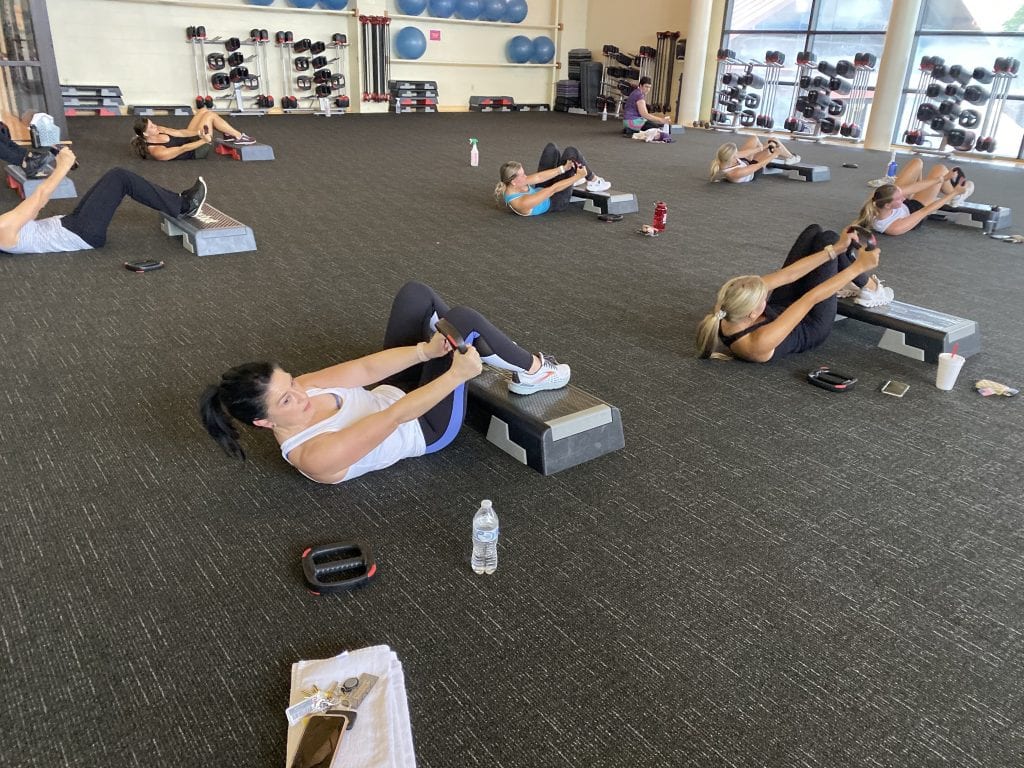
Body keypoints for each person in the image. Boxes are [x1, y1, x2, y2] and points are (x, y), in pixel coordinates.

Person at [199, 281, 573, 484]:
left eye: (291, 382)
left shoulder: (302, 389)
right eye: (286, 401)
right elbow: (395, 417)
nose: (300, 393)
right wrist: (455, 374)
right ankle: (534, 371)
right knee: (463, 319)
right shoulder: (313, 455)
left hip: (389, 394)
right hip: (423, 427)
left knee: (416, 295)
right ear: (264, 422)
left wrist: (426, 352)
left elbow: (364, 371)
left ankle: (481, 349)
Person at [696, 224, 893, 363]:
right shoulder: (758, 343)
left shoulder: (730, 301)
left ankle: (846, 274)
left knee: (815, 233)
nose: (765, 292)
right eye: (762, 297)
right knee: (828, 238)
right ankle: (870, 288)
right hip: (811, 323)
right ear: (753, 314)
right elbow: (812, 297)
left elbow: (788, 275)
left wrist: (837, 249)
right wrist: (859, 268)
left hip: (781, 307)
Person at [0, 147, 208, 255]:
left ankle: (177, 202)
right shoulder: (2, 228)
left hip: (69, 224)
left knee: (115, 177)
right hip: (82, 233)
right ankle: (185, 206)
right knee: (120, 178)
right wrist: (63, 165)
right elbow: (39, 199)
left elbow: (32, 212)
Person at [853, 158, 973, 236]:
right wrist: (954, 193)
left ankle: (948, 186)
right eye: (899, 198)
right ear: (888, 205)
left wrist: (943, 179)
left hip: (899, 205)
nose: (903, 198)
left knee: (917, 162)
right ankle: (958, 196)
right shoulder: (893, 228)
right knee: (941, 169)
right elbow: (927, 210)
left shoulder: (878, 197)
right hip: (916, 209)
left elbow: (912, 188)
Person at [495, 143, 611, 217]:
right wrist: (576, 177)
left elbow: (539, 177)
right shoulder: (521, 203)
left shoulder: (513, 183)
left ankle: (573, 176)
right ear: (514, 182)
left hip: (543, 189)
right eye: (522, 175)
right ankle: (593, 180)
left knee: (551, 148)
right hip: (555, 201)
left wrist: (563, 169)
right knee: (571, 152)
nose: (526, 176)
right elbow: (553, 189)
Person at [130, 108, 255, 161]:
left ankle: (227, 134)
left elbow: (180, 132)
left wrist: (198, 132)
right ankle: (239, 137)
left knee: (203, 110)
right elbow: (183, 148)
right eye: (151, 127)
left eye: (152, 123)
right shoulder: (157, 151)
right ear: (145, 133)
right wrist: (204, 140)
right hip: (196, 150)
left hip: (190, 139)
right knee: (210, 116)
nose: (155, 126)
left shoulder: (159, 129)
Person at [709, 135, 801, 183]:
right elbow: (758, 165)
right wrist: (774, 154)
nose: (737, 154)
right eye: (735, 154)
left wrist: (763, 147)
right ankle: (792, 157)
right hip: (753, 171)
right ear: (732, 158)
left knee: (754, 138)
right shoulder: (734, 173)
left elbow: (746, 153)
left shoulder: (723, 158)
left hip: (743, 163)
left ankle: (789, 156)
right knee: (773, 142)